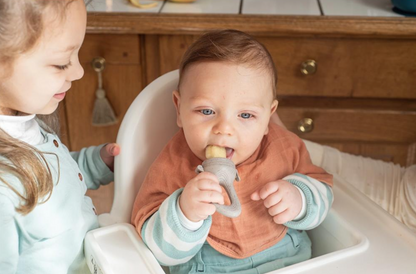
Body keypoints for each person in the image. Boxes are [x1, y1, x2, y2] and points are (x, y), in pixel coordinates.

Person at [131, 29, 333, 274]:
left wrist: (299, 198)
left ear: (268, 117)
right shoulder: (172, 163)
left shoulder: (284, 147)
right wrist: (185, 213)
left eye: (245, 115)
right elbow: (153, 249)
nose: (224, 129)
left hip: (289, 261)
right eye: (206, 111)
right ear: (179, 108)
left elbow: (323, 190)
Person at [0, 1, 119, 273]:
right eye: (62, 62)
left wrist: (94, 164)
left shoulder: (26, 124)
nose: (78, 72)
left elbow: (50, 182)